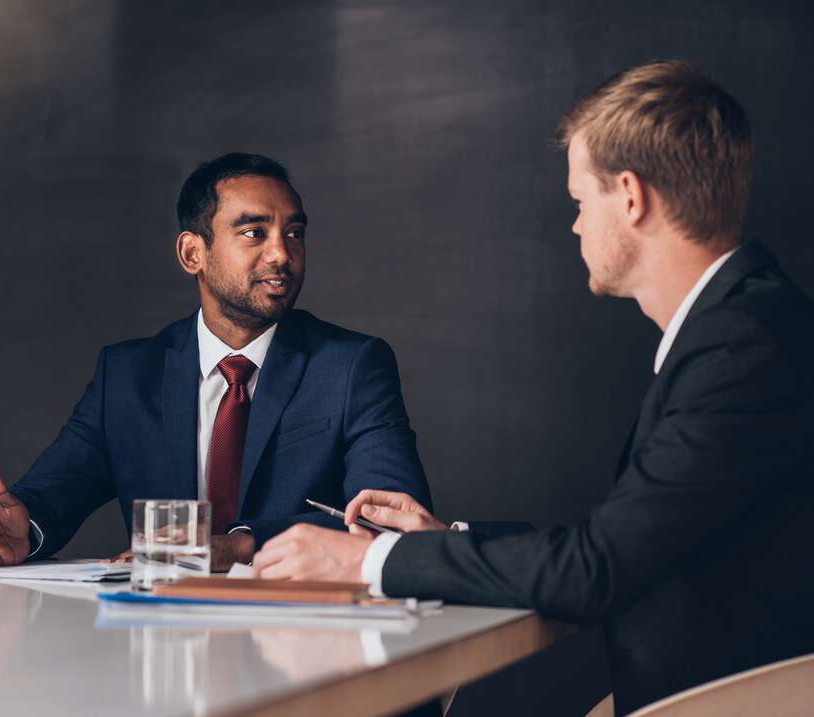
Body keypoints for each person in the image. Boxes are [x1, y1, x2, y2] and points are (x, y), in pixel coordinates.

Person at [252, 61, 814, 715]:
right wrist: (438, 541)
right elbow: (623, 541)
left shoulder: (742, 345)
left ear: (630, 197)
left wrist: (369, 559)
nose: (575, 226)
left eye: (580, 202)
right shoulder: (747, 323)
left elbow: (595, 568)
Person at [0, 153, 432, 571]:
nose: (282, 253)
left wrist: (238, 545)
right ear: (192, 253)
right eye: (254, 232)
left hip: (301, 636)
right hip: (164, 647)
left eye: (294, 233)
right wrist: (26, 527)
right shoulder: (127, 376)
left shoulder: (352, 367)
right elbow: (59, 487)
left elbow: (392, 517)